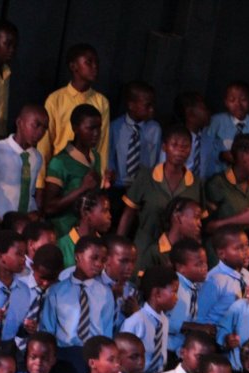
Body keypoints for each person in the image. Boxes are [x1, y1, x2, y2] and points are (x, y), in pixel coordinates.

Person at [40, 235, 114, 373]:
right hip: (64, 355)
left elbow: (106, 332)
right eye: (94, 258)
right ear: (78, 257)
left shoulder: (105, 293)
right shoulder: (56, 291)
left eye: (103, 260)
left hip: (94, 357)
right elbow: (47, 330)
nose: (99, 264)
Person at [117, 123, 201, 254]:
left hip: (179, 252)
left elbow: (199, 223)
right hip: (145, 248)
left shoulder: (196, 184)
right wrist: (118, 246)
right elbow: (128, 214)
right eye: (174, 145)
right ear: (164, 147)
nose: (179, 151)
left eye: (185, 147)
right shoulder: (146, 177)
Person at [37, 43, 110, 191]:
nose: (95, 66)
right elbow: (44, 143)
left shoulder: (101, 101)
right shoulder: (56, 99)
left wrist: (101, 179)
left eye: (96, 62)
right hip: (59, 171)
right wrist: (40, 184)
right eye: (88, 62)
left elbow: (103, 144)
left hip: (87, 172)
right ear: (74, 66)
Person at [42, 105, 109, 238]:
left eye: (98, 128)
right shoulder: (60, 162)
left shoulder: (95, 157)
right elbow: (48, 207)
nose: (96, 133)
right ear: (75, 128)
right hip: (65, 234)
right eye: (90, 128)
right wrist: (82, 188)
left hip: (87, 234)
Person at [0, 104, 48, 219]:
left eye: (44, 128)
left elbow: (28, 192)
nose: (40, 132)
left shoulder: (36, 157)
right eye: (36, 125)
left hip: (21, 222)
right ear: (19, 122)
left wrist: (32, 210)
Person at [203, 134, 249, 251]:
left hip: (239, 254)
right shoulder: (217, 184)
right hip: (218, 255)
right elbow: (206, 227)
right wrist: (238, 219)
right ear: (243, 157)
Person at [121, 265, 178, 373]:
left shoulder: (164, 320)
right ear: (157, 293)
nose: (177, 298)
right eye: (174, 292)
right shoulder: (136, 320)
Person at [108, 81, 161, 191]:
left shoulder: (155, 129)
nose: (152, 109)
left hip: (144, 187)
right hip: (119, 185)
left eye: (153, 105)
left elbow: (157, 158)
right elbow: (109, 155)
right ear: (131, 105)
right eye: (147, 106)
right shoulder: (115, 127)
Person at [203, 80, 249, 176]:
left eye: (243, 100)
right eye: (232, 100)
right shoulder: (216, 121)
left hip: (241, 177)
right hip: (216, 174)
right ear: (226, 102)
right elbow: (205, 150)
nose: (238, 104)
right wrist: (221, 155)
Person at [195, 227, 249, 327]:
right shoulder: (214, 280)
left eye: (247, 245)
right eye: (239, 248)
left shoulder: (247, 275)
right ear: (222, 254)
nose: (246, 251)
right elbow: (200, 318)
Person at [165, 239, 211, 359]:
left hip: (180, 351)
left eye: (206, 263)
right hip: (166, 349)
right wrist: (193, 327)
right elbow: (161, 320)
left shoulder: (194, 287)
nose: (205, 267)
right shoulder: (175, 286)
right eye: (198, 264)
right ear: (181, 268)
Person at [172, 92, 212, 180]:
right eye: (204, 108)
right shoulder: (175, 140)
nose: (209, 112)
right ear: (190, 113)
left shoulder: (207, 139)